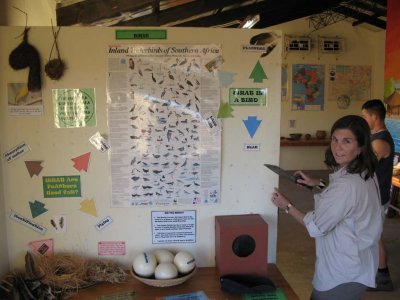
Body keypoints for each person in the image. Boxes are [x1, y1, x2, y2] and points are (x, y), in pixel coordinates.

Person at [271, 115, 382, 300]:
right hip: (361, 264)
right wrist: (317, 183)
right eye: (335, 139)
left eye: (347, 141)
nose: (337, 147)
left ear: (361, 146)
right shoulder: (366, 172)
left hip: (342, 273)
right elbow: (349, 202)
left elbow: (315, 226)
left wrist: (287, 205)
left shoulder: (346, 186)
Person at [361, 99, 395, 291]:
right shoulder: (374, 136)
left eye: (365, 115)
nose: (363, 119)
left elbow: (364, 168)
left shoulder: (380, 141)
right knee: (371, 235)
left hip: (377, 196)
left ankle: (383, 277)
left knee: (375, 236)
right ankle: (373, 271)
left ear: (374, 116)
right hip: (372, 195)